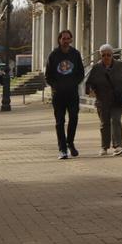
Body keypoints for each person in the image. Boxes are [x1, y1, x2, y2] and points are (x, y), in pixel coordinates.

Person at [84, 44, 122, 156]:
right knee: (104, 124)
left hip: (117, 99)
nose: (106, 57)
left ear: (112, 55)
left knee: (115, 120)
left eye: (108, 55)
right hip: (102, 100)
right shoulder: (96, 68)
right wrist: (90, 91)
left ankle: (118, 146)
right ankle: (104, 147)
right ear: (100, 55)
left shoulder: (119, 65)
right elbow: (89, 83)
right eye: (103, 55)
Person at [45, 29, 85, 159]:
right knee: (60, 121)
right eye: (63, 39)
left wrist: (74, 83)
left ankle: (70, 143)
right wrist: (56, 86)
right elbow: (48, 76)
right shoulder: (53, 55)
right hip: (58, 95)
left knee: (73, 118)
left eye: (68, 38)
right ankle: (62, 149)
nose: (66, 41)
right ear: (59, 40)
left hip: (72, 93)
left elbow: (81, 73)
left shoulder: (75, 54)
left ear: (71, 40)